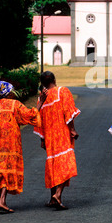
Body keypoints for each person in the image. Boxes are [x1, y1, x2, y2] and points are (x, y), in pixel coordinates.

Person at [0, 81, 42, 213]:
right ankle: (2, 201)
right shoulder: (14, 104)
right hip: (9, 143)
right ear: (8, 92)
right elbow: (30, 115)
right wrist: (40, 102)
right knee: (6, 168)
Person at [34, 71, 80, 210]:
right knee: (67, 165)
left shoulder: (41, 99)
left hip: (49, 137)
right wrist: (72, 129)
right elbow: (68, 113)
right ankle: (58, 194)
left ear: (42, 83)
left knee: (53, 166)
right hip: (62, 135)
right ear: (54, 79)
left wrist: (42, 139)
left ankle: (52, 198)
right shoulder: (62, 91)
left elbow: (38, 121)